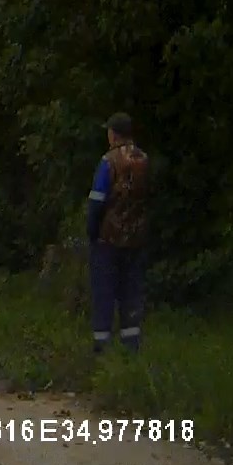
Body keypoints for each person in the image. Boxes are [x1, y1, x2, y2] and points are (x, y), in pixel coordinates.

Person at [86, 112, 151, 355]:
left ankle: (101, 348)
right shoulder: (144, 160)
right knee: (131, 293)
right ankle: (131, 347)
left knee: (104, 293)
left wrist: (92, 231)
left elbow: (97, 201)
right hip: (136, 239)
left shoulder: (109, 161)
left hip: (108, 239)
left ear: (113, 133)